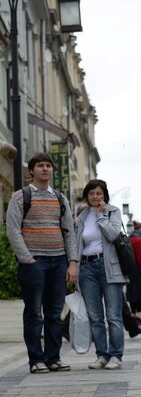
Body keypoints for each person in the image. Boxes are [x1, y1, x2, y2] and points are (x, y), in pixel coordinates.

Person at [6, 153, 77, 374]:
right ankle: (36, 359)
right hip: (33, 263)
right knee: (34, 313)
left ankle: (53, 358)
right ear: (32, 171)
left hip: (58, 262)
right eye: (40, 166)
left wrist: (72, 262)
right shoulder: (21, 196)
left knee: (54, 313)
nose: (45, 169)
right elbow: (13, 230)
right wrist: (27, 258)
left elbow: (69, 232)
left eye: (48, 166)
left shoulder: (59, 198)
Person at [74, 179, 130, 370]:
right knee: (95, 317)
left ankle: (116, 356)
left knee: (113, 315)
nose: (95, 197)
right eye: (91, 194)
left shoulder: (112, 211)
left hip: (109, 268)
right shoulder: (82, 216)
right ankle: (102, 355)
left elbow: (113, 234)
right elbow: (77, 243)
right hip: (87, 268)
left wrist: (101, 217)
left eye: (98, 193)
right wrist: (73, 266)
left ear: (104, 195)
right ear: (87, 196)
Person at [127, 224, 141, 323]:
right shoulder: (138, 240)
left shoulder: (129, 239)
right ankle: (139, 319)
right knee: (140, 294)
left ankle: (133, 317)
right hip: (138, 271)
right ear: (140, 229)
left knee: (132, 294)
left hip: (129, 271)